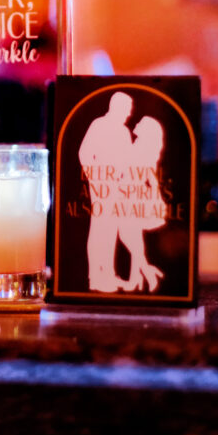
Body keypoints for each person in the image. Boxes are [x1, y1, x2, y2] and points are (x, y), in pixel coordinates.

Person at [78, 91, 134, 292]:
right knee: (101, 228)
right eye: (126, 109)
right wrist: (95, 176)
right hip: (101, 186)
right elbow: (84, 153)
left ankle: (108, 274)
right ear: (116, 107)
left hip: (118, 188)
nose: (128, 114)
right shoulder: (99, 125)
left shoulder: (124, 131)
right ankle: (95, 276)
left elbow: (128, 160)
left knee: (112, 230)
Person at [118, 115, 166, 292]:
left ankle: (138, 277)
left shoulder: (143, 148)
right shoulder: (139, 145)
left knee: (130, 235)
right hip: (129, 192)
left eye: (140, 123)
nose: (136, 123)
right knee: (131, 237)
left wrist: (153, 194)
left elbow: (146, 172)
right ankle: (143, 274)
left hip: (134, 193)